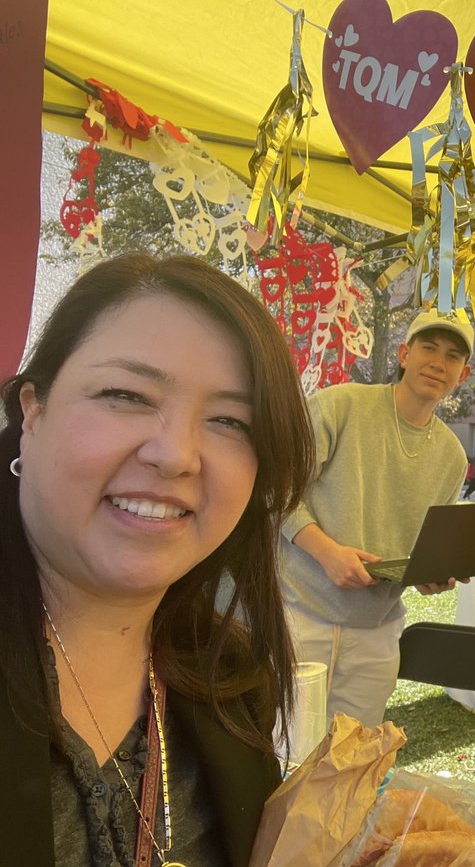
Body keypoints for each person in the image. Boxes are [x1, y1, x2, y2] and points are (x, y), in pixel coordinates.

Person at [0, 254, 314, 866]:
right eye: (127, 395)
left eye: (229, 420)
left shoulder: (229, 672)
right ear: (33, 409)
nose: (176, 456)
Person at [279, 311, 473, 727]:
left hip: (376, 630)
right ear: (404, 354)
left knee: (353, 762)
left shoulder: (452, 455)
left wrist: (429, 573)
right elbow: (273, 489)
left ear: (464, 372)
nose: (439, 362)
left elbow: (423, 546)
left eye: (453, 356)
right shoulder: (340, 405)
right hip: (297, 612)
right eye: (428, 348)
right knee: (282, 753)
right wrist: (327, 552)